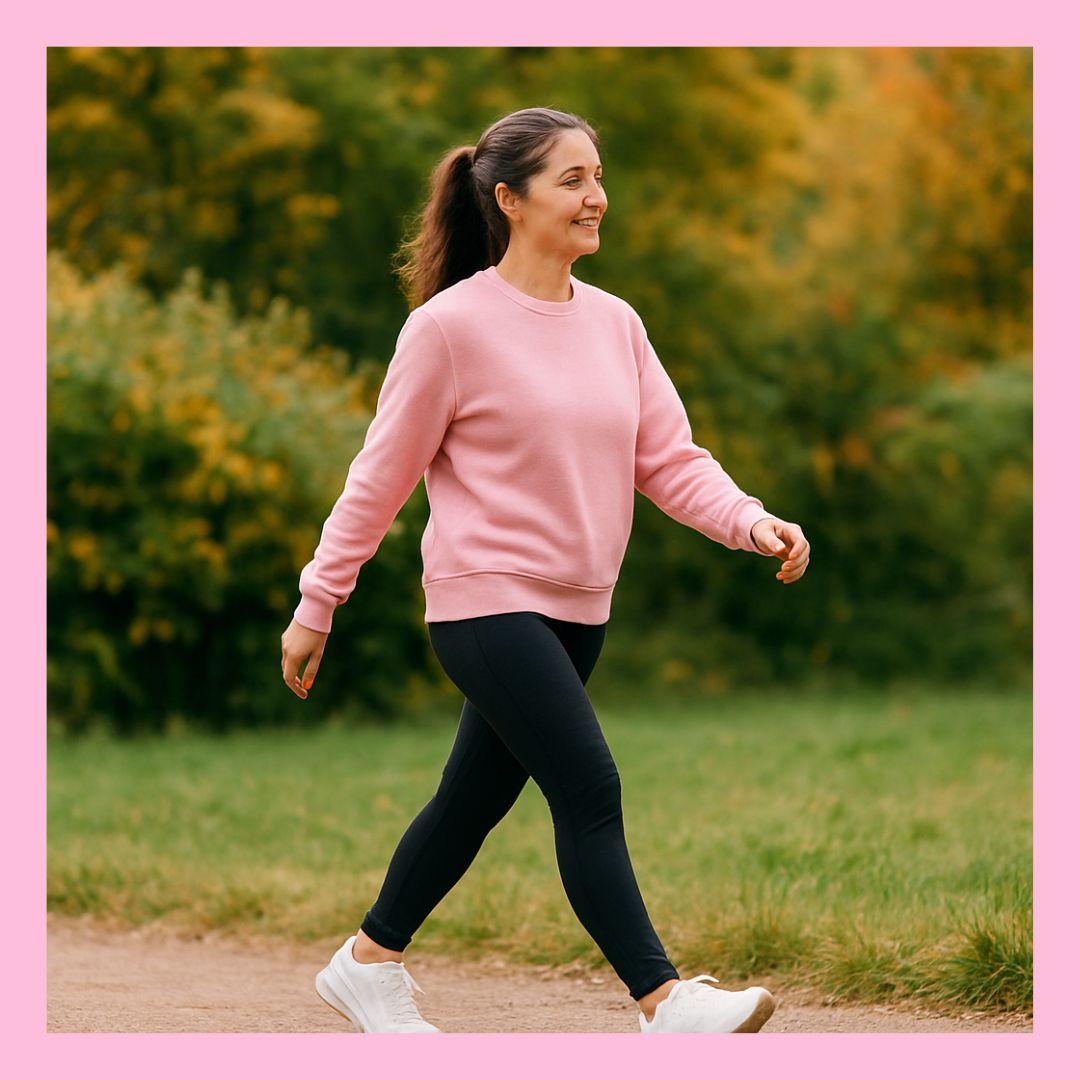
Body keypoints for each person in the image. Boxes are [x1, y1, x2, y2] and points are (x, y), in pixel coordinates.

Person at [281, 107, 810, 1034]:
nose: (597, 196)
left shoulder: (616, 325)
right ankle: (663, 1001)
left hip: (577, 608)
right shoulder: (449, 329)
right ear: (509, 200)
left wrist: (750, 520)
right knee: (588, 786)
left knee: (469, 803)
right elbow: (381, 476)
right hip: (484, 603)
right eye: (572, 180)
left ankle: (367, 962)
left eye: (598, 176)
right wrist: (318, 600)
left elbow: (671, 460)